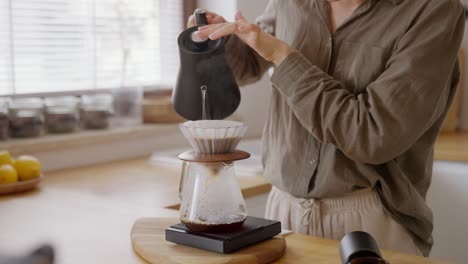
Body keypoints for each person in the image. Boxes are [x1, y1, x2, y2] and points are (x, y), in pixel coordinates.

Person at [188, 0, 464, 256]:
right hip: (282, 214)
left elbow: (371, 134)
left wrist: (283, 57)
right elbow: (250, 63)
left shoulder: (433, 11)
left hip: (373, 222)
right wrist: (221, 41)